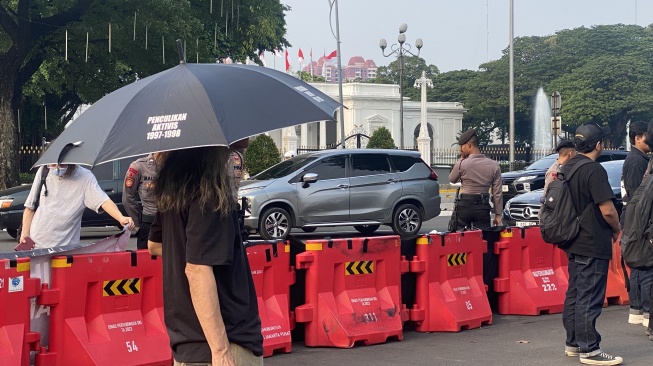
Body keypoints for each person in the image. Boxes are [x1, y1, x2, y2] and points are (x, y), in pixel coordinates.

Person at [147, 146, 263, 366]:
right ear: (212, 151)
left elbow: (154, 245)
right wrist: (220, 351)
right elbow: (197, 270)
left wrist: (187, 253)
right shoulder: (209, 196)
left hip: (186, 342)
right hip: (225, 340)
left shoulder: (173, 195)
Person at [562, 123, 622, 365]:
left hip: (573, 238)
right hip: (592, 239)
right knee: (590, 295)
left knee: (575, 292)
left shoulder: (569, 166)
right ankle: (590, 349)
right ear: (599, 144)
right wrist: (617, 229)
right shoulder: (593, 170)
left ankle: (574, 343)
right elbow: (607, 210)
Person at [19, 163, 134, 249]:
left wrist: (120, 217)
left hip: (65, 249)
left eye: (62, 164)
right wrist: (25, 233)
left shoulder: (84, 177)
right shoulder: (43, 171)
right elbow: (30, 206)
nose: (57, 168)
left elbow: (103, 200)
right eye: (53, 164)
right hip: (36, 246)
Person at [620, 121, 652, 327]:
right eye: (646, 135)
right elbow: (636, 195)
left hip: (636, 219)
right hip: (638, 220)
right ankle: (642, 309)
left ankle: (639, 309)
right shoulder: (636, 160)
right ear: (638, 137)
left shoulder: (639, 158)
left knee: (640, 265)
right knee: (644, 265)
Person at [448, 129, 503, 230]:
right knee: (483, 239)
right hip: (483, 207)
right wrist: (498, 215)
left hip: (464, 206)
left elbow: (452, 179)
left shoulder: (462, 163)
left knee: (461, 238)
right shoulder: (494, 165)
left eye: (461, 146)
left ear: (468, 145)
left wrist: (461, 159)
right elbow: (497, 192)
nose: (460, 149)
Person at [122, 153, 164, 249]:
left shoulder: (177, 165)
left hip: (174, 225)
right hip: (149, 224)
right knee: (146, 261)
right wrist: (138, 223)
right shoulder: (139, 166)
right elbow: (127, 197)